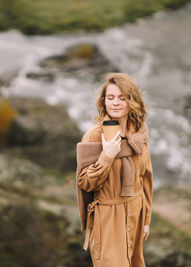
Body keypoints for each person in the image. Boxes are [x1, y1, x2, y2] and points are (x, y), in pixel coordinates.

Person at [75, 73, 153, 267]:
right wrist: (107, 156)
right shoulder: (94, 135)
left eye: (122, 98)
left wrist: (146, 219)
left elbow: (145, 178)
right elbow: (85, 182)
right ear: (104, 101)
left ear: (132, 101)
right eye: (110, 98)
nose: (115, 103)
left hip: (135, 213)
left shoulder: (139, 133)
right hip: (108, 218)